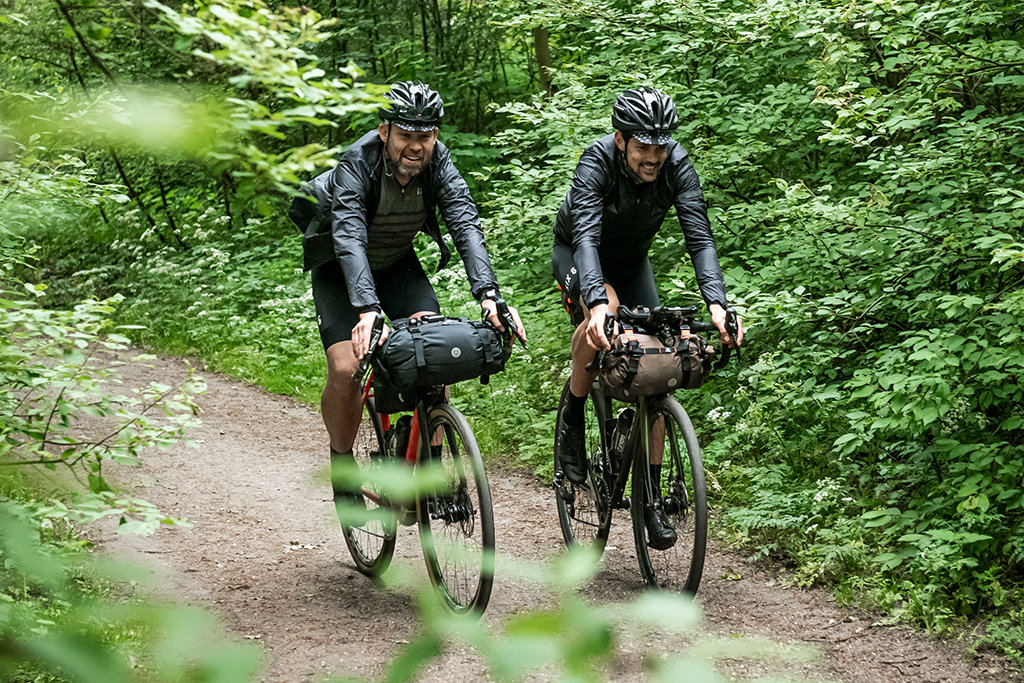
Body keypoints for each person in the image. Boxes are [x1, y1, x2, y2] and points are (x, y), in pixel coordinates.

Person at [289, 81, 526, 505]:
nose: (415, 146)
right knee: (346, 368)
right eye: (406, 136)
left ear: (435, 135)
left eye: (425, 136)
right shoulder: (355, 165)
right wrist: (367, 310)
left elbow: (466, 226)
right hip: (341, 270)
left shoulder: (440, 165)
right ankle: (343, 467)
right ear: (385, 133)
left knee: (436, 347)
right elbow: (348, 239)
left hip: (397, 263)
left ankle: (431, 467)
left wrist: (490, 296)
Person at [551, 87, 743, 548]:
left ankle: (650, 498)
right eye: (643, 147)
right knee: (607, 315)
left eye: (661, 146)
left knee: (658, 369)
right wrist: (596, 302)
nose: (653, 157)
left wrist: (717, 302)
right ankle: (573, 418)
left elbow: (700, 238)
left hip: (633, 262)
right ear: (621, 140)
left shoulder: (676, 165)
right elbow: (585, 238)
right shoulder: (596, 162)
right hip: (579, 254)